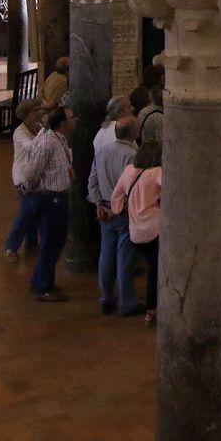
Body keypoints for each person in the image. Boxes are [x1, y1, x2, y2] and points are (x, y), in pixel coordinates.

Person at [19, 105, 76, 302]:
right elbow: (32, 171)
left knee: (55, 242)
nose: (74, 119)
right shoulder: (47, 143)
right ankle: (42, 287)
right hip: (49, 198)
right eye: (71, 117)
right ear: (61, 123)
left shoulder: (59, 138)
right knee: (51, 242)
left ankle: (45, 282)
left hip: (57, 197)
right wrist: (32, 190)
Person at [88, 115, 139, 316]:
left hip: (105, 209)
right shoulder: (131, 155)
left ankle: (106, 297)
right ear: (133, 133)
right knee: (125, 258)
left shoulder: (102, 151)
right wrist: (115, 209)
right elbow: (132, 189)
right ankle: (127, 302)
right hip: (122, 211)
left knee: (106, 255)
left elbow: (92, 179)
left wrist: (99, 205)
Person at [112, 138, 164, 325]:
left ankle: (152, 308)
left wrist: (119, 209)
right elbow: (173, 189)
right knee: (155, 271)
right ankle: (152, 310)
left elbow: (116, 194)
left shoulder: (128, 171)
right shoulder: (156, 172)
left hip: (136, 232)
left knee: (153, 267)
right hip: (155, 229)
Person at [3, 99, 47, 261]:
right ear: (28, 114)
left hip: (34, 174)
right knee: (28, 210)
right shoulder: (20, 132)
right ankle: (11, 246)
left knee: (34, 209)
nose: (41, 112)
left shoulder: (37, 127)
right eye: (37, 110)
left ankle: (31, 242)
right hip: (23, 176)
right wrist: (45, 131)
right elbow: (31, 147)